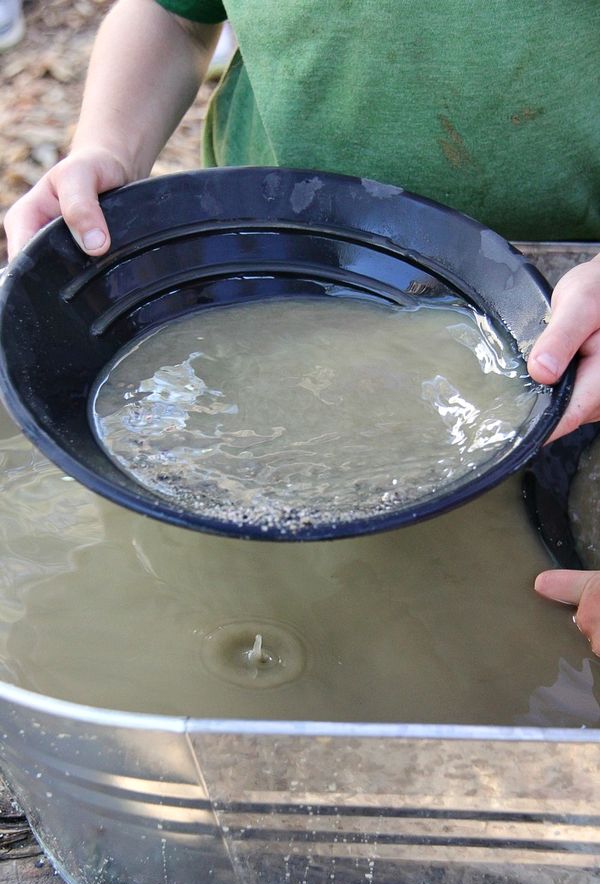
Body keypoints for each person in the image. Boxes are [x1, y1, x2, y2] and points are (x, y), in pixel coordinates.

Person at [4, 0, 600, 648]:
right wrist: (108, 146)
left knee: (475, 632)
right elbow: (172, 17)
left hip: (569, 319)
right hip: (244, 280)